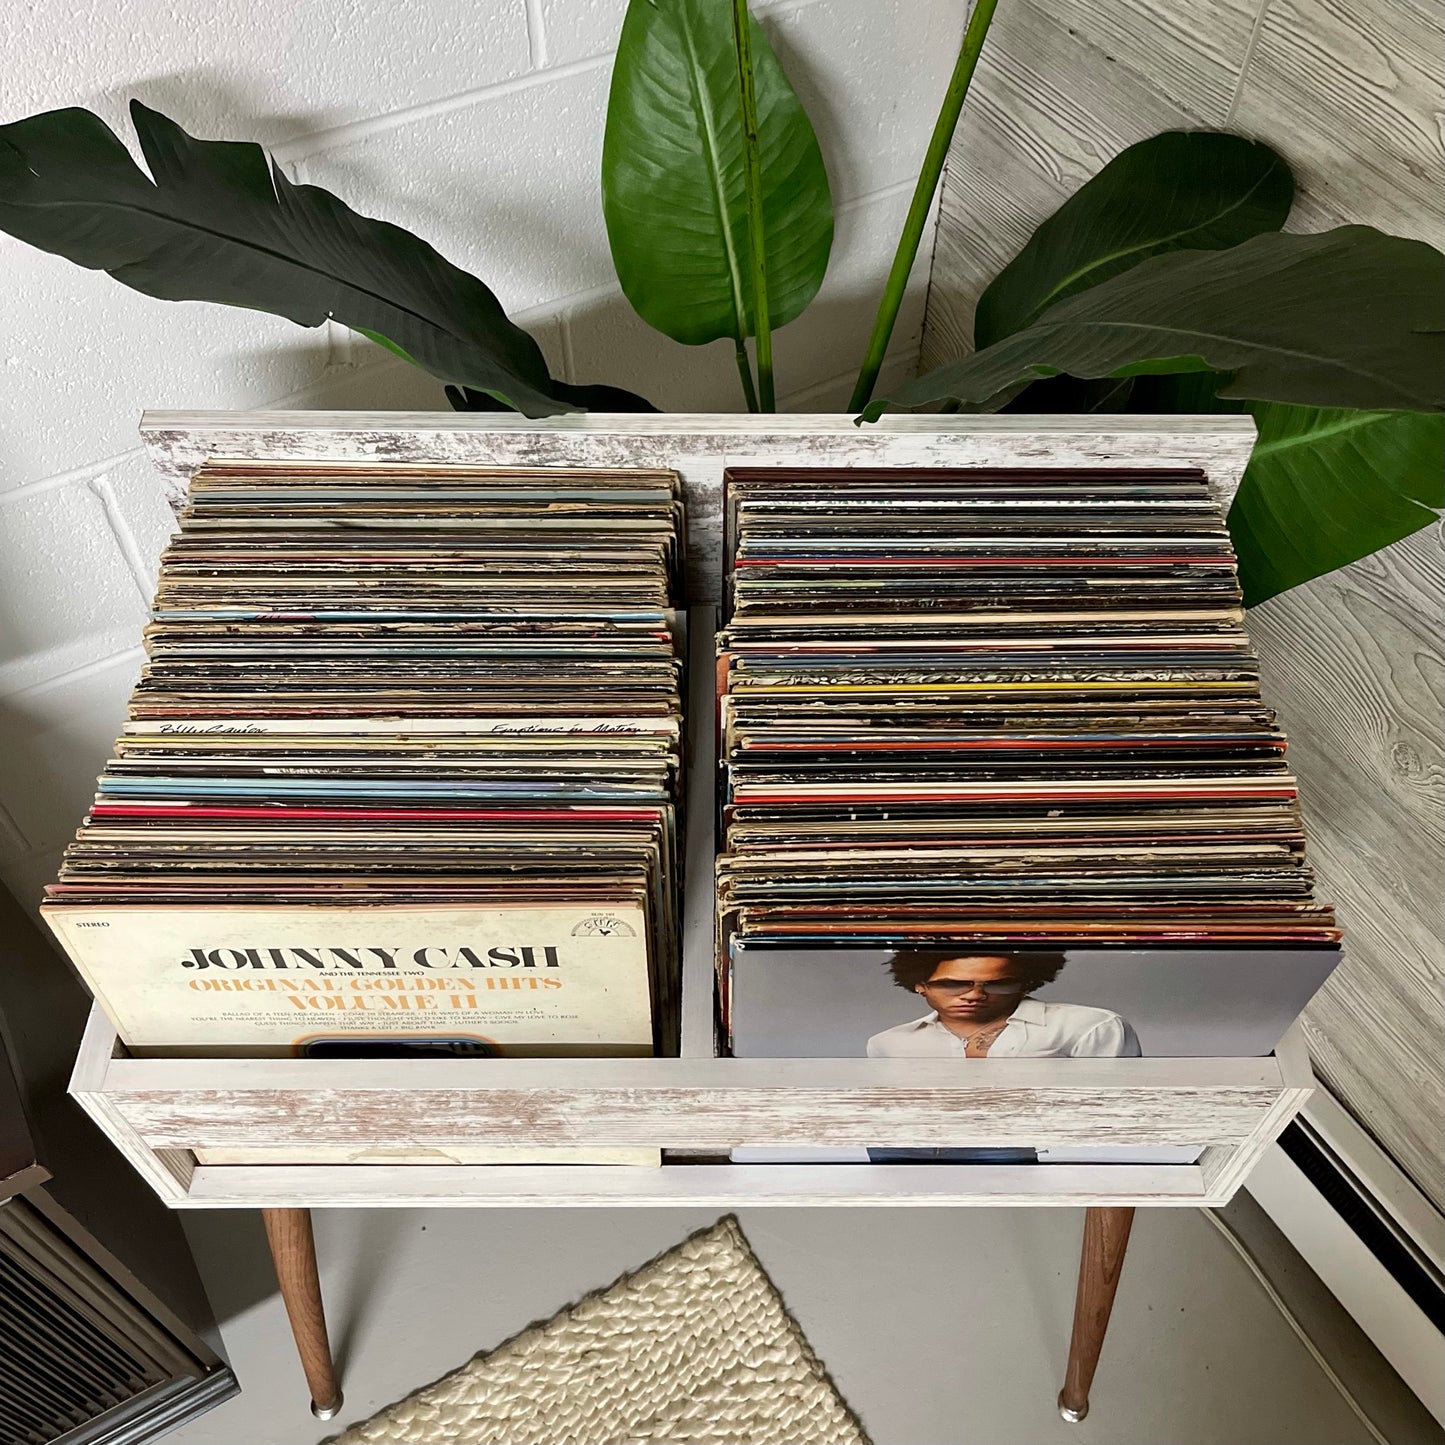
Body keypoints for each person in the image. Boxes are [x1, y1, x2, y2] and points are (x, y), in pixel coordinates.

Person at [866, 950, 1141, 1059]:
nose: (974, 995)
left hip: (1043, 1153)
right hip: (913, 1151)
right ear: (920, 985)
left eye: (997, 984)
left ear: (1027, 983)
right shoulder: (888, 1043)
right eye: (953, 984)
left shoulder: (1088, 1026)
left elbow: (1117, 1109)